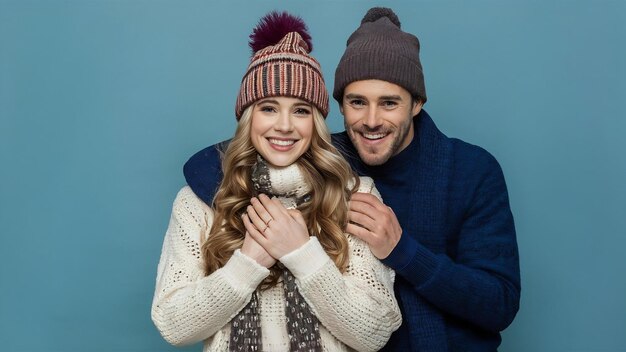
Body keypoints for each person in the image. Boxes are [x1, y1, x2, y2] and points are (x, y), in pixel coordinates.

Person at [184, 7, 521, 351]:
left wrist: (402, 250)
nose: (371, 120)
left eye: (389, 103)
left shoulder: (471, 170)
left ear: (417, 103)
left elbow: (499, 305)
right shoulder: (324, 159)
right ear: (339, 107)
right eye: (357, 102)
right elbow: (222, 160)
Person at [151, 11, 401, 352]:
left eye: (300, 110)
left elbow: (373, 332)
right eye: (268, 108)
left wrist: (301, 253)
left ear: (316, 122)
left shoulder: (354, 193)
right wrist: (248, 263)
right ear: (247, 117)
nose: (284, 126)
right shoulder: (201, 197)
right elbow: (172, 323)